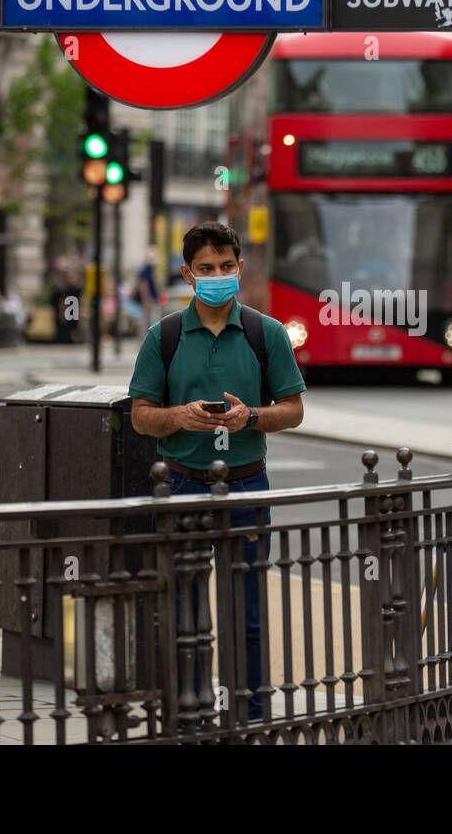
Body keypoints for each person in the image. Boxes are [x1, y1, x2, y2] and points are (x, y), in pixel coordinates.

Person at [128, 221, 307, 722]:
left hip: (248, 482)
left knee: (247, 609)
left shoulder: (264, 332)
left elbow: (293, 410)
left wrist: (250, 415)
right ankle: (189, 708)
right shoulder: (162, 336)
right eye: (206, 269)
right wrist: (178, 416)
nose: (218, 276)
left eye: (226, 267)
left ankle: (249, 711)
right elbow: (141, 415)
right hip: (183, 481)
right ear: (187, 274)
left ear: (240, 268)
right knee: (183, 609)